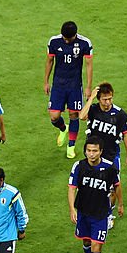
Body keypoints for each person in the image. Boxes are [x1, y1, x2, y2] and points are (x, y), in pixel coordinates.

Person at [68, 138, 120, 253]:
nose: (91, 154)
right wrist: (72, 209)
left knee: (96, 246)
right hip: (83, 211)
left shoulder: (109, 167)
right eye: (89, 151)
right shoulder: (79, 166)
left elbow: (117, 186)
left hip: (101, 213)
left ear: (101, 152)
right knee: (86, 242)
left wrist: (119, 205)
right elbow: (72, 188)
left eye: (95, 151)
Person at [80, 82, 127, 219]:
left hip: (111, 155)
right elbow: (81, 116)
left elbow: (126, 135)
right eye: (104, 99)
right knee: (92, 184)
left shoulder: (120, 115)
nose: (108, 102)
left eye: (110, 98)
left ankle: (108, 214)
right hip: (93, 154)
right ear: (99, 99)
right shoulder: (92, 109)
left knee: (113, 186)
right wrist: (90, 98)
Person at [43, 21, 93, 159]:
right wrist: (46, 81)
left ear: (75, 35)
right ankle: (63, 129)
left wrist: (88, 87)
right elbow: (49, 61)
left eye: (68, 39)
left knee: (74, 115)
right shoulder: (54, 41)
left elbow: (89, 65)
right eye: (64, 38)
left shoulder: (85, 43)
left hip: (75, 85)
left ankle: (71, 146)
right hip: (58, 85)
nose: (66, 40)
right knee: (54, 116)